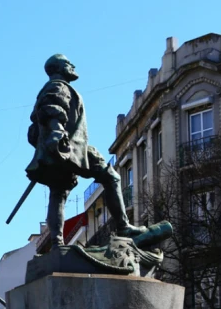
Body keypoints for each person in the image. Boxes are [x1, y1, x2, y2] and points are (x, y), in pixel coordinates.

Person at [25, 54, 147, 245]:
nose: (72, 65)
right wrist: (57, 134)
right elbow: (53, 110)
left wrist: (47, 145)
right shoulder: (59, 87)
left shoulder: (46, 91)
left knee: (58, 193)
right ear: (58, 68)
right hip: (71, 147)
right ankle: (123, 226)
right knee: (111, 177)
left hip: (59, 147)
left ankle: (56, 243)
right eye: (67, 63)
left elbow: (34, 129)